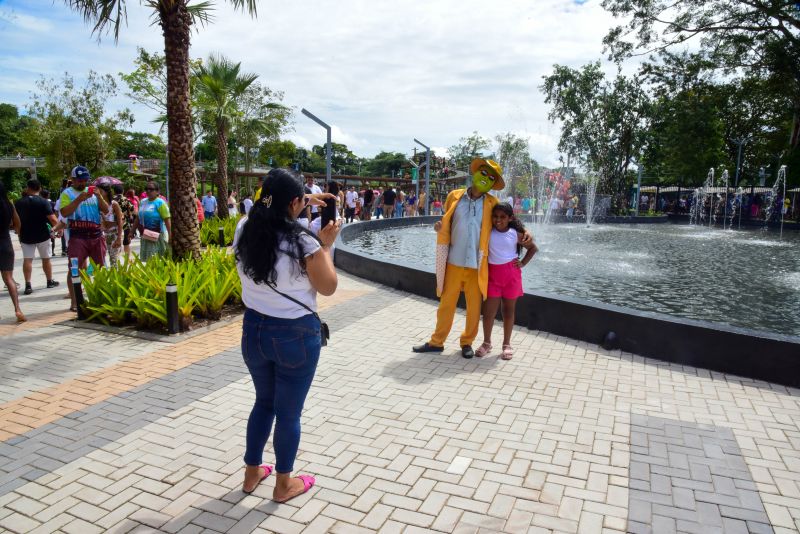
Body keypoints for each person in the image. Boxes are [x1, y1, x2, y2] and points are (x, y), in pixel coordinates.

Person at [233, 168, 340, 500]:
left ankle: (252, 474)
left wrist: (306, 197)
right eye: (301, 201)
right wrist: (325, 246)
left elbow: (274, 202)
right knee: (289, 412)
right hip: (295, 335)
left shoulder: (245, 227)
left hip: (254, 330)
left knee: (263, 403)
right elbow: (329, 286)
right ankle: (283, 484)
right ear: (294, 202)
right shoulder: (304, 241)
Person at [412, 159, 531, 358]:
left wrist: (526, 231)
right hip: (454, 262)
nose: (486, 179)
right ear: (476, 173)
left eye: (491, 178)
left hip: (478, 265)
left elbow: (507, 222)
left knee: (474, 308)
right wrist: (438, 227)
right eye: (484, 173)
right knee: (446, 304)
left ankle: (467, 342)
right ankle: (437, 342)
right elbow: (446, 221)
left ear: (493, 184)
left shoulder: (492, 204)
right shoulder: (454, 196)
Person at [475, 203, 537, 360]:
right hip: (493, 276)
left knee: (508, 312)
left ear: (510, 218)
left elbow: (533, 248)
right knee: (488, 313)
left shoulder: (515, 234)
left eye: (503, 217)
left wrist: (522, 263)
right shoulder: (488, 232)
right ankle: (487, 343)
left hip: (511, 276)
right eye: (495, 216)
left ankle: (506, 344)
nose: (498, 220)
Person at [60, 166, 109, 312]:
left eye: (85, 180)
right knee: (74, 269)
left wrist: (99, 197)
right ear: (73, 180)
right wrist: (79, 199)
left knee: (100, 269)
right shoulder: (67, 193)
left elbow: (106, 210)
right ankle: (75, 301)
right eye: (80, 180)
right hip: (77, 237)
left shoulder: (94, 193)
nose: (83, 183)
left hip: (95, 236)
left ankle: (101, 298)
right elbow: (64, 212)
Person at [15, 179, 60, 294]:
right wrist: (59, 229)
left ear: (27, 188)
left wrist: (19, 233)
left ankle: (28, 285)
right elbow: (53, 219)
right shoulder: (43, 202)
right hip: (43, 235)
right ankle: (49, 281)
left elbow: (15, 221)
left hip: (26, 236)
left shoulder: (18, 203)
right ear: (39, 188)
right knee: (46, 258)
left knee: (28, 260)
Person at [0, 182, 25, 322]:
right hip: (6, 243)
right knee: (9, 278)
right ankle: (17, 309)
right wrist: (18, 233)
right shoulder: (9, 204)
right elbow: (17, 224)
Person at [138, 181, 171, 261]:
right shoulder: (143, 202)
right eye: (147, 189)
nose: (148, 191)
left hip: (156, 235)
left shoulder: (160, 203)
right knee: (147, 258)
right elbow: (137, 218)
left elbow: (167, 219)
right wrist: (132, 231)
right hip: (145, 235)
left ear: (157, 191)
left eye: (151, 189)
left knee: (156, 258)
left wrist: (170, 235)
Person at [98, 185, 124, 268]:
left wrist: (119, 237)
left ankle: (116, 278)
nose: (99, 193)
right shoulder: (97, 204)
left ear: (106, 192)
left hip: (114, 234)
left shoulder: (114, 204)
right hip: (102, 235)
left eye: (100, 191)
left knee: (114, 259)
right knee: (101, 259)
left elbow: (120, 221)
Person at [113, 184, 136, 261]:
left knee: (116, 242)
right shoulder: (126, 200)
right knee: (126, 242)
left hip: (114, 224)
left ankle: (117, 260)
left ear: (114, 191)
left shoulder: (112, 200)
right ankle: (127, 260)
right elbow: (133, 210)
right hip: (125, 224)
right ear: (123, 191)